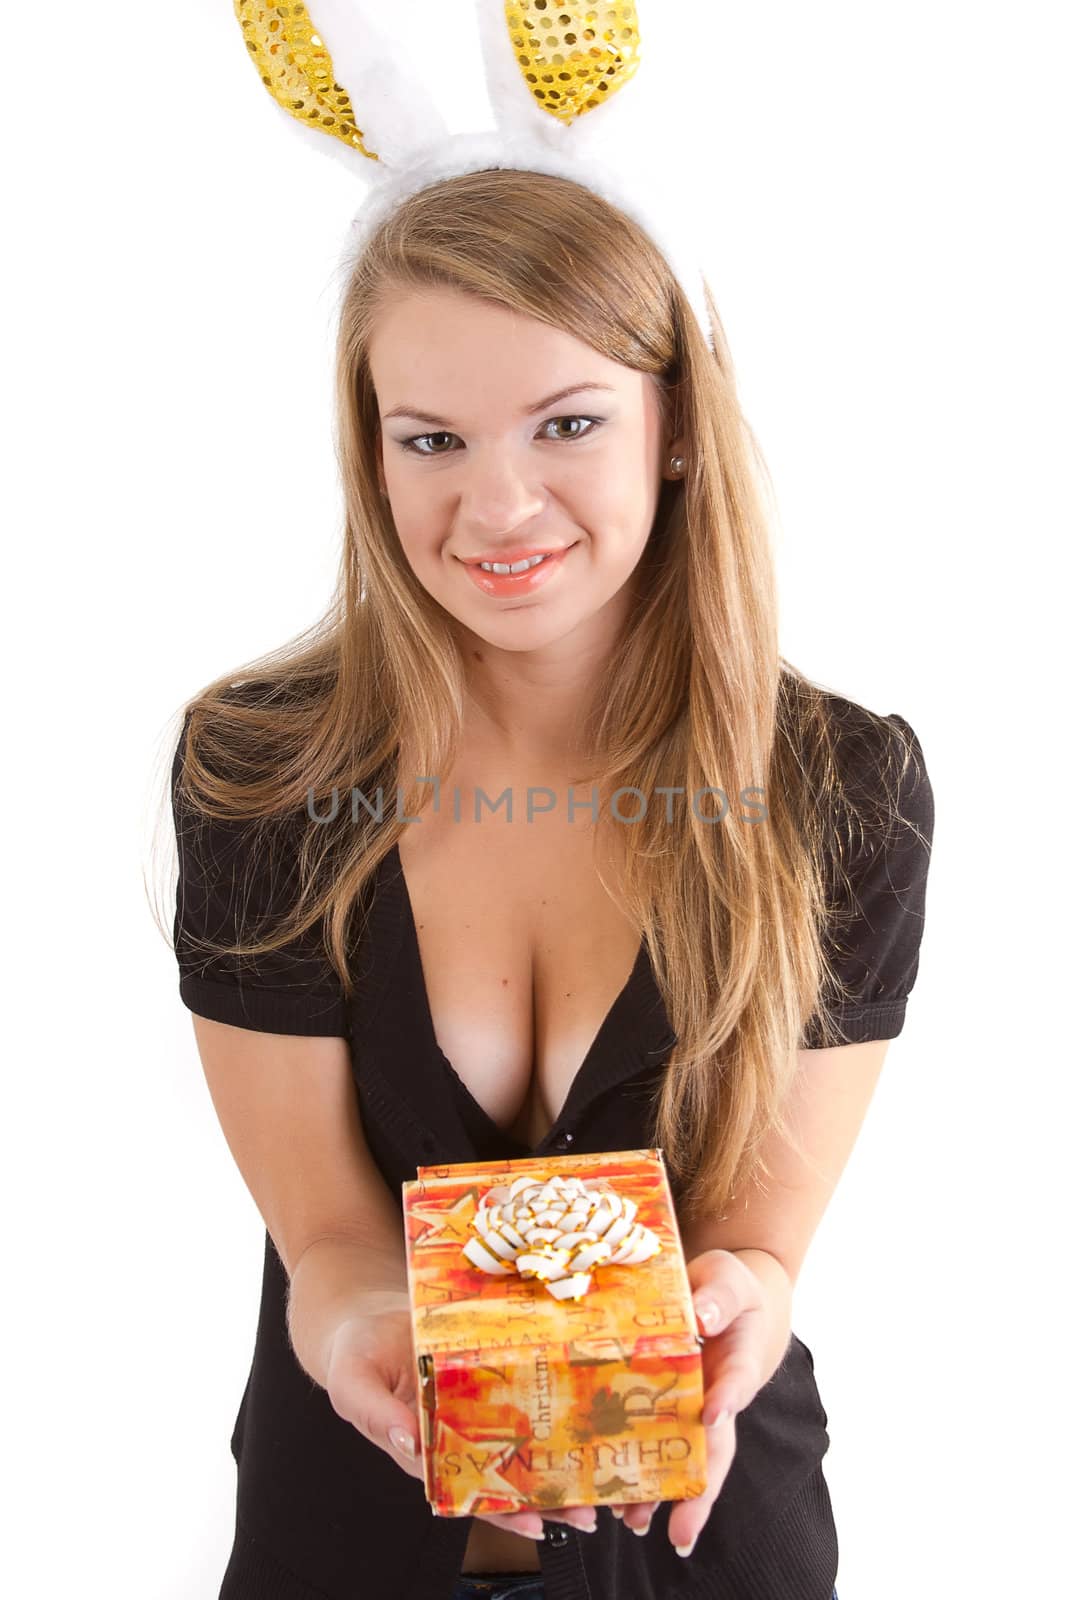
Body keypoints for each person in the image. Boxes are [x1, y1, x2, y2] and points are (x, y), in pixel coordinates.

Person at [168, 162, 932, 1600]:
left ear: (674, 430)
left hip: (702, 1536)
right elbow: (329, 1240)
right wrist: (350, 1330)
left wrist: (742, 1299)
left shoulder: (841, 792)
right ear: (371, 454)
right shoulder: (259, 778)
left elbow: (756, 1242)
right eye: (433, 438)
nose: (495, 504)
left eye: (567, 423)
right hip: (346, 1534)